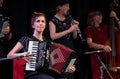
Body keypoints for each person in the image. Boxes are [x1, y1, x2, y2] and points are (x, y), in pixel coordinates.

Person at [7, 12, 75, 79]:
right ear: (33, 25)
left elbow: (57, 62)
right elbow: (9, 55)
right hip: (32, 73)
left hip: (47, 74)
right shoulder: (26, 39)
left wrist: (67, 68)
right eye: (38, 21)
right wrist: (22, 54)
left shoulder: (48, 43)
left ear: (45, 25)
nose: (40, 23)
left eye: (43, 21)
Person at [49, 0, 79, 79]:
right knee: (59, 74)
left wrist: (75, 28)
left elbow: (74, 37)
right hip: (58, 51)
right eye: (66, 6)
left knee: (70, 73)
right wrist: (69, 30)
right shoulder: (52, 20)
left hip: (70, 50)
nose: (68, 8)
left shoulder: (69, 19)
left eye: (68, 6)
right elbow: (53, 36)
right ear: (59, 7)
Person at [85, 10, 120, 79]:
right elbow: (90, 44)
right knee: (98, 76)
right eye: (99, 15)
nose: (101, 17)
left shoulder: (105, 27)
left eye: (101, 15)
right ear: (93, 18)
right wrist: (103, 46)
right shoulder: (89, 29)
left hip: (108, 55)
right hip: (97, 56)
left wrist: (115, 17)